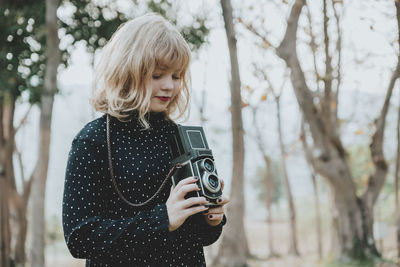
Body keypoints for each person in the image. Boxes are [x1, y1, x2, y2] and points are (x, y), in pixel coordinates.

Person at [62, 13, 229, 267]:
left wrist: (212, 219)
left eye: (176, 76)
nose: (169, 87)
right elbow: (80, 237)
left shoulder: (180, 136)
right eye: (157, 75)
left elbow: (199, 237)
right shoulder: (94, 140)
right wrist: (163, 219)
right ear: (127, 72)